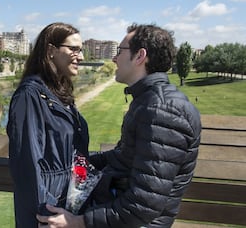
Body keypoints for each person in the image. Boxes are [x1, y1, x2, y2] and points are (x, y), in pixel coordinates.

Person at [37, 23, 202, 228]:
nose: (114, 58)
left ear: (140, 56)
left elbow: (144, 204)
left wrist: (78, 222)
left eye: (120, 51)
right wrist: (77, 163)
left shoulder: (162, 110)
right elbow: (123, 156)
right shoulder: (148, 101)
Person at [6, 22, 90, 227]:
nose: (81, 57)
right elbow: (27, 163)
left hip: (65, 201)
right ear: (51, 50)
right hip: (47, 211)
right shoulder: (30, 95)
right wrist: (46, 215)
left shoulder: (58, 92)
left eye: (81, 50)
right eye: (74, 49)